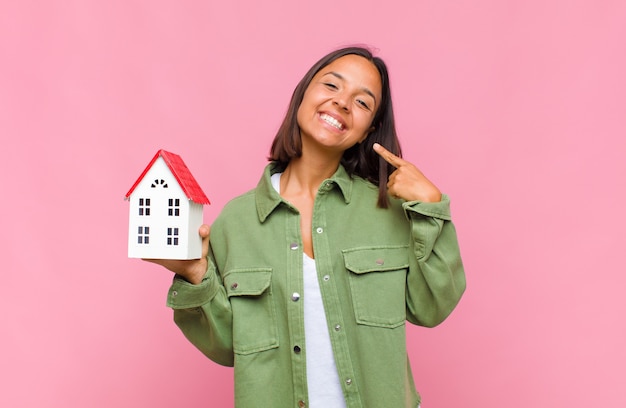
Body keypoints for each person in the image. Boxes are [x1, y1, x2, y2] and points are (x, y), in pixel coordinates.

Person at [146, 46, 466, 408]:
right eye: (331, 86)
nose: (343, 103)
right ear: (303, 95)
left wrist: (431, 205)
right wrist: (194, 275)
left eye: (362, 103)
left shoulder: (390, 211)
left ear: (367, 132)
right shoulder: (235, 222)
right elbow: (226, 347)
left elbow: (433, 307)